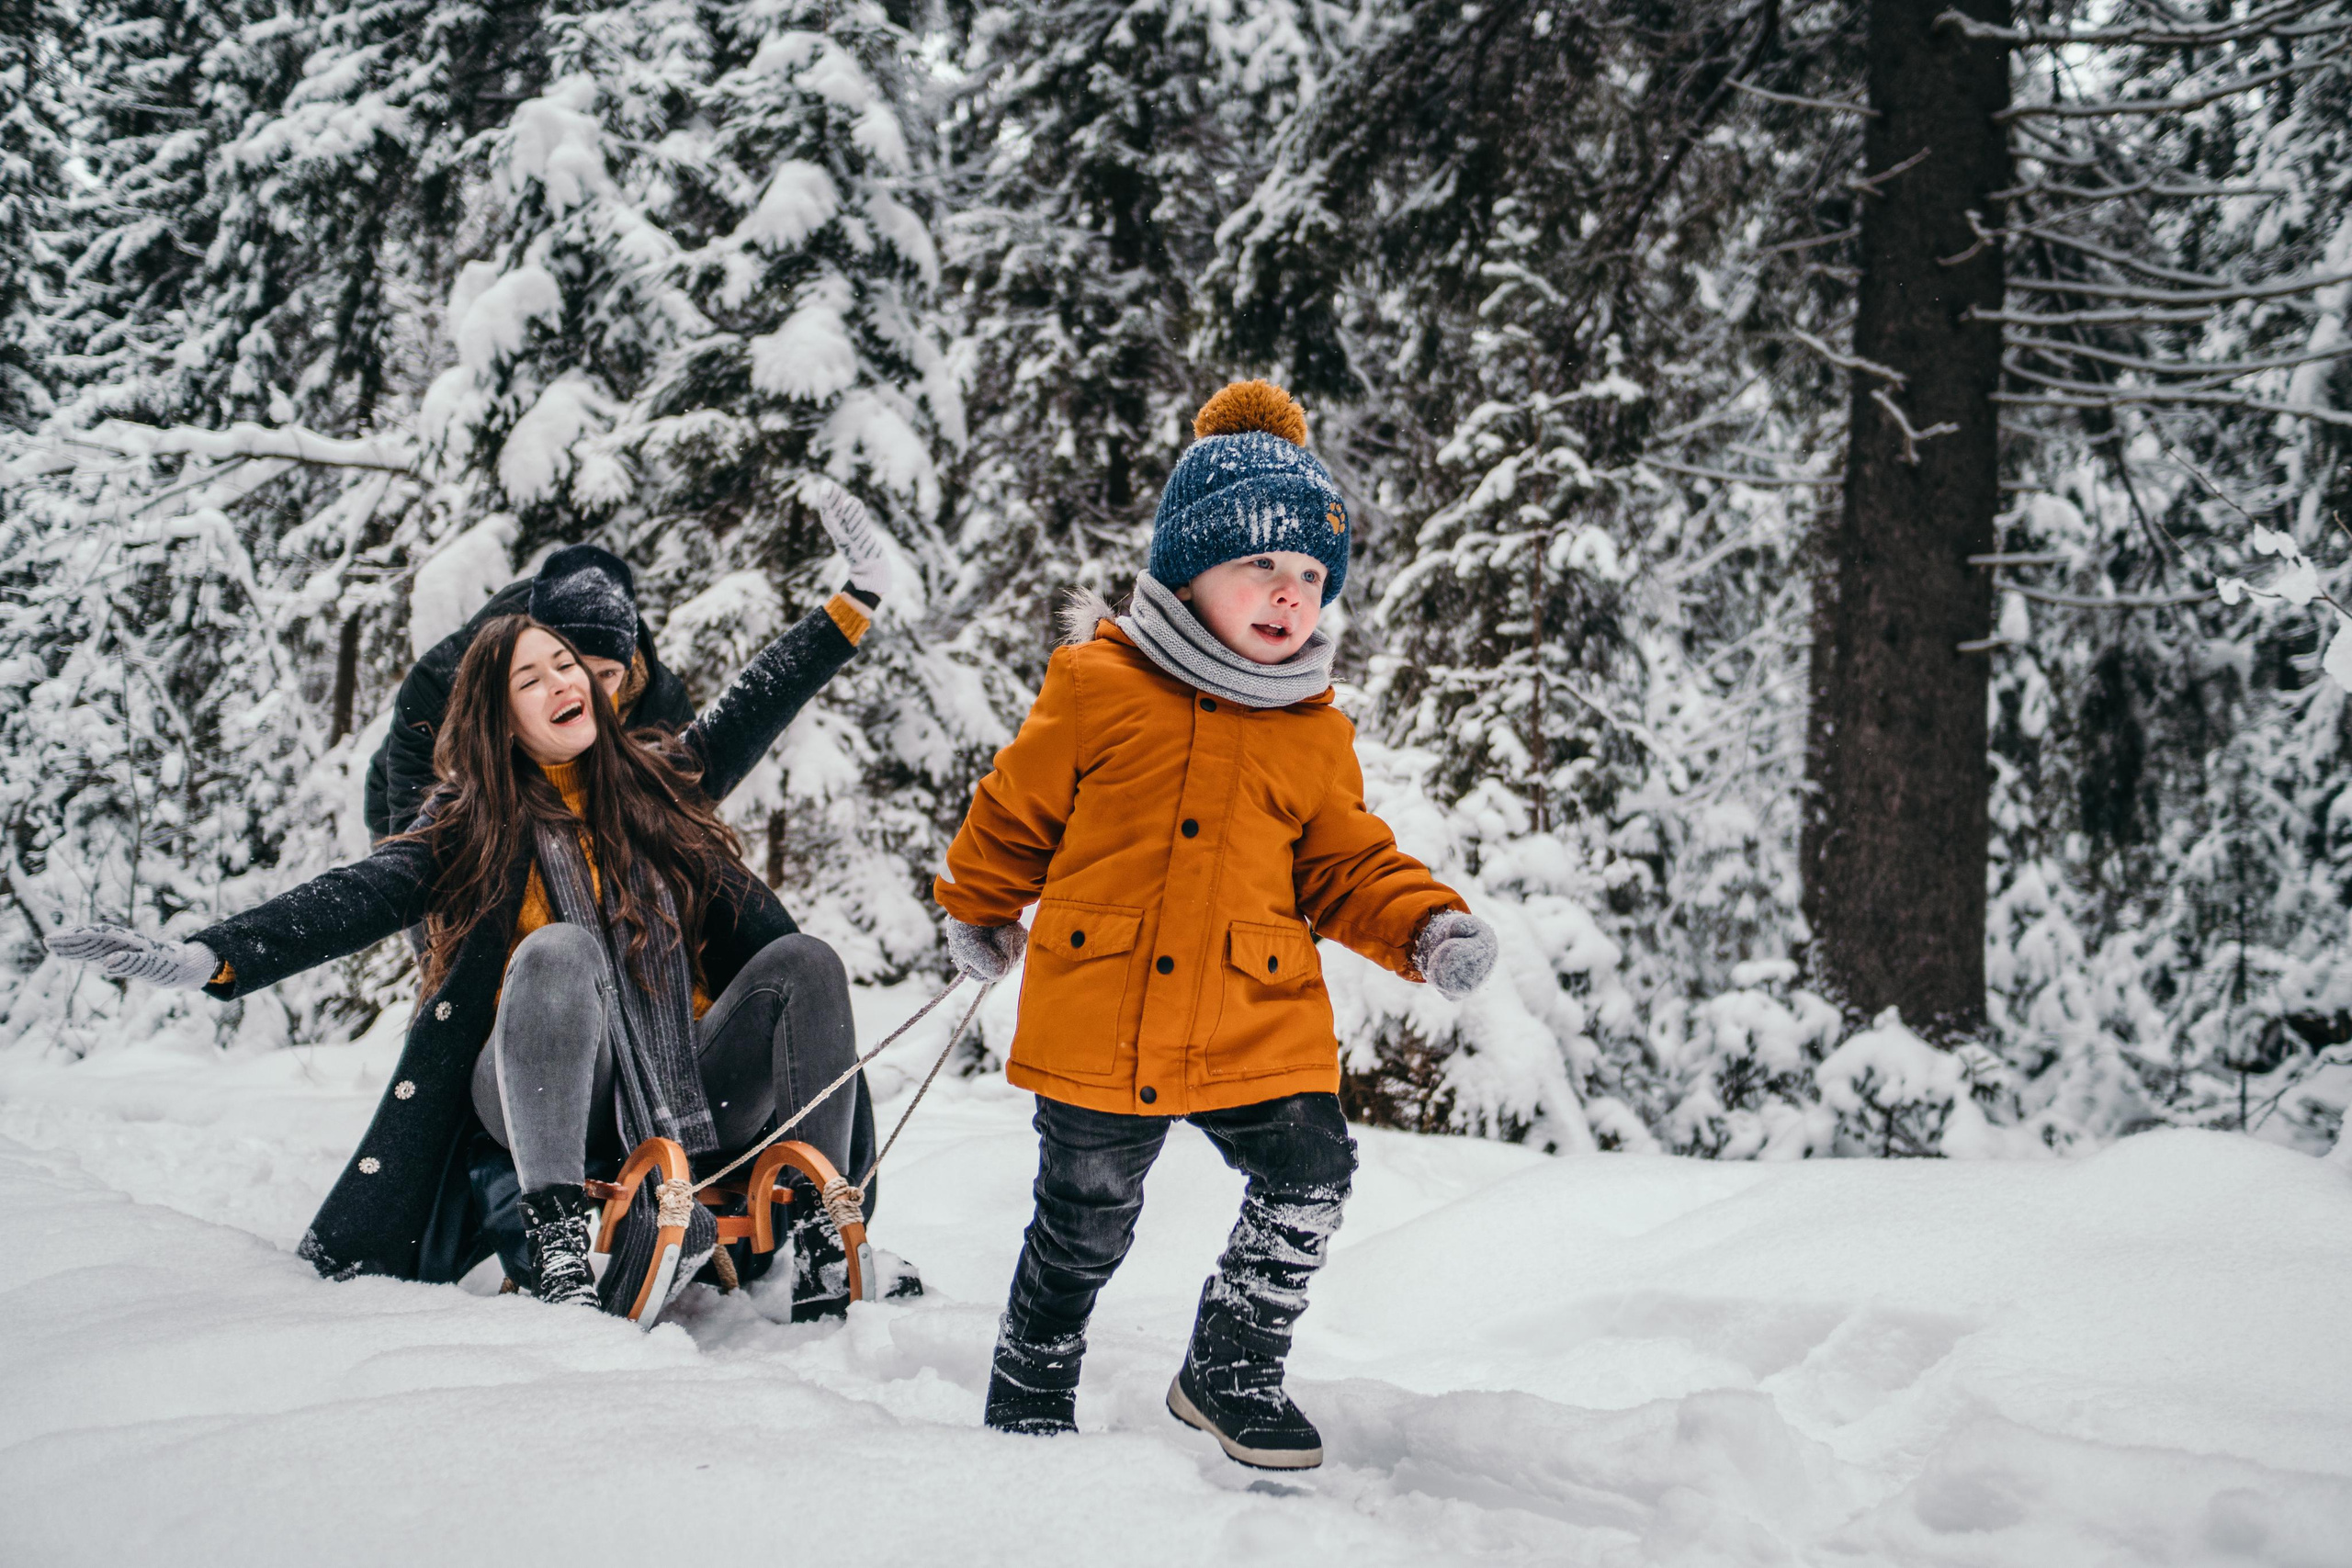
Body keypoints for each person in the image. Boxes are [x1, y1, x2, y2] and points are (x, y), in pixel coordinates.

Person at [49, 484, 897, 1323]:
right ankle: (557, 1239)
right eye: (533, 677)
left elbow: (757, 698)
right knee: (560, 950)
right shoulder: (473, 824)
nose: (563, 680)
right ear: (501, 716)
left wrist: (857, 595)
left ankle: (824, 1233)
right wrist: (211, 955)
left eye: (568, 665)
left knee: (805, 964)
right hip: (544, 1089)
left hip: (689, 1080)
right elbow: (355, 895)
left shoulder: (660, 779)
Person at [935, 381, 1498, 1469]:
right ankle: (1033, 1375)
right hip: (1104, 1012)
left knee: (1311, 1172)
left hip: (1254, 1014)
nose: (1290, 593)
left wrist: (1425, 925)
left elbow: (1345, 863)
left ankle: (1232, 1365)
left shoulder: (1312, 731)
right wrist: (981, 907)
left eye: (1312, 575)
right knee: (1082, 1222)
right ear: (1188, 569)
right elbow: (1014, 810)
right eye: (1261, 564)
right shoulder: (1097, 685)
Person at [364, 544, 704, 842]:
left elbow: (689, 827)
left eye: (608, 674)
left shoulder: (662, 707)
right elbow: (412, 843)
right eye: (571, 666)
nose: (585, 691)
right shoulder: (442, 683)